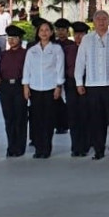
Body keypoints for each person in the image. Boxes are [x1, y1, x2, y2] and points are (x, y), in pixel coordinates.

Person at [75, 10, 109, 161]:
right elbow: (80, 62)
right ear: (93, 22)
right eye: (98, 19)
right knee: (96, 120)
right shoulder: (87, 39)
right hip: (92, 85)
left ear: (108, 21)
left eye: (104, 19)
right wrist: (79, 82)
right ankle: (99, 150)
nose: (101, 21)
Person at [24, 21, 65, 159]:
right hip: (35, 88)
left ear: (51, 32)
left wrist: (58, 86)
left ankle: (46, 148)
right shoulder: (32, 50)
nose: (44, 33)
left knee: (48, 120)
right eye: (41, 30)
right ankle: (38, 148)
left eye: (47, 30)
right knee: (36, 119)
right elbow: (27, 69)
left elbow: (60, 68)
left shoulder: (56, 49)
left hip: (50, 88)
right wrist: (26, 86)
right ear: (38, 32)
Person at [0, 25, 27, 158]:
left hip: (19, 86)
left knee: (20, 118)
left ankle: (20, 146)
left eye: (14, 38)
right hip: (5, 87)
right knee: (9, 118)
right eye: (9, 38)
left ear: (20, 39)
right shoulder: (3, 54)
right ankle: (11, 145)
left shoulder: (25, 54)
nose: (11, 41)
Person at [66, 21, 91, 157]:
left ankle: (85, 145)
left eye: (81, 34)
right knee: (73, 116)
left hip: (87, 83)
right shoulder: (68, 50)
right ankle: (75, 146)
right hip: (71, 84)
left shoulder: (91, 49)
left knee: (85, 115)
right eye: (76, 34)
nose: (78, 37)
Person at [53, 18, 74, 135]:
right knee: (57, 101)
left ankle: (67, 124)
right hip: (55, 76)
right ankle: (58, 125)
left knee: (68, 101)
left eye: (63, 30)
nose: (60, 32)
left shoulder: (71, 44)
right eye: (58, 30)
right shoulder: (53, 44)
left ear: (67, 31)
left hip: (69, 76)